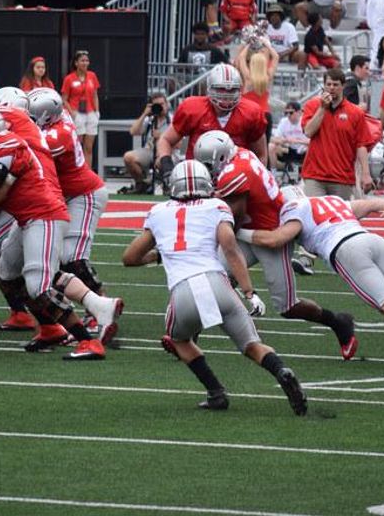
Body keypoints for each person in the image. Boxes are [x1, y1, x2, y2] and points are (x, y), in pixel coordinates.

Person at [120, 160, 307, 415]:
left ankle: (216, 392)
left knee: (179, 341)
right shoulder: (217, 206)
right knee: (252, 345)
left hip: (183, 291)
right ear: (207, 183)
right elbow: (230, 249)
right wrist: (249, 292)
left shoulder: (158, 212)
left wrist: (159, 255)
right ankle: (280, 370)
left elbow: (129, 258)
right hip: (219, 285)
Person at [0, 109, 122, 360]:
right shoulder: (15, 136)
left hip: (42, 215)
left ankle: (87, 341)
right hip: (29, 216)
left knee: (39, 285)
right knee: (7, 271)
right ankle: (53, 325)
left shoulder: (5, 143)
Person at [249, 194, 384, 372]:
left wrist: (239, 231)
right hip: (373, 239)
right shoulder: (332, 201)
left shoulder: (292, 210)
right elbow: (372, 203)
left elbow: (277, 239)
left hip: (346, 250)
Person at [195, 131, 359, 359]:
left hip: (269, 234)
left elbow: (233, 221)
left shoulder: (234, 174)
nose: (207, 168)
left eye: (209, 164)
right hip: (249, 228)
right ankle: (189, 338)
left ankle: (338, 322)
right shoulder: (239, 154)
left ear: (222, 158)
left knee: (288, 307)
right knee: (213, 278)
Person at [28, 88, 116, 340]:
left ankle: (101, 306)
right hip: (65, 196)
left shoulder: (59, 134)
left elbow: (30, 148)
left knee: (73, 258)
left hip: (84, 194)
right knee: (58, 259)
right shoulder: (57, 118)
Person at [157, 63, 267, 175]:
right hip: (198, 175)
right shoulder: (192, 108)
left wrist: (258, 178)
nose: (226, 95)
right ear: (209, 89)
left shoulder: (251, 112)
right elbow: (166, 140)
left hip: (236, 177)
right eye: (221, 89)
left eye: (231, 90)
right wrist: (167, 167)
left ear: (239, 90)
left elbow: (260, 154)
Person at [300, 68, 379, 198]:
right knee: (315, 214)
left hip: (342, 176)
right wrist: (322, 108)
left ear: (343, 86)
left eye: (336, 84)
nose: (332, 88)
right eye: (328, 84)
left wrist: (366, 174)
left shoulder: (355, 113)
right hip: (314, 175)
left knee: (339, 217)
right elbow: (308, 132)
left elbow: (361, 145)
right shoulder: (312, 106)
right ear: (324, 86)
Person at [123, 90, 172, 194]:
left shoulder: (173, 120)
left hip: (168, 152)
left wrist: (162, 137)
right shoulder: (150, 119)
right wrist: (144, 114)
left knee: (160, 161)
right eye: (157, 105)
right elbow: (133, 131)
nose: (160, 107)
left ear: (167, 105)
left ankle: (167, 185)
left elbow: (180, 144)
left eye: (162, 104)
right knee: (128, 157)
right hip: (149, 150)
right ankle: (142, 183)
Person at [60, 49, 101, 161]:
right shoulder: (69, 79)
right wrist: (72, 113)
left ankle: (88, 173)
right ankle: (77, 171)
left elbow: (95, 95)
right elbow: (64, 99)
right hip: (77, 113)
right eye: (82, 60)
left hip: (91, 113)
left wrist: (97, 111)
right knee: (77, 146)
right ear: (76, 63)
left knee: (89, 148)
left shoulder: (92, 76)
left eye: (87, 60)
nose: (85, 63)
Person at [270, 100, 309, 172]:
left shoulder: (305, 121)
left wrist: (297, 141)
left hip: (303, 150)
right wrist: (285, 140)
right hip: (288, 149)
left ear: (299, 112)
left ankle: (306, 173)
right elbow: (274, 138)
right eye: (286, 113)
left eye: (291, 112)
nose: (288, 115)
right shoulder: (284, 121)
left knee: (311, 148)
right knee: (271, 146)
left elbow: (312, 141)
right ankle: (273, 172)